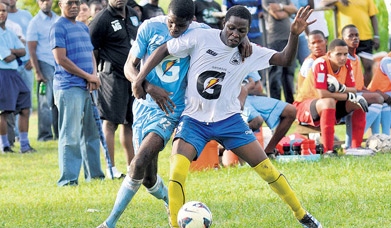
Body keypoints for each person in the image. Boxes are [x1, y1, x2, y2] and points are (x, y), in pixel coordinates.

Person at [134, 5, 322, 227]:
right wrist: (139, 79)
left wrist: (293, 34)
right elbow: (164, 49)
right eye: (231, 28)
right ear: (224, 24)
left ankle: (302, 215)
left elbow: (284, 59)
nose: (235, 34)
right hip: (194, 121)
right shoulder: (201, 37)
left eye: (241, 31)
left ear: (247, 32)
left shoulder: (250, 52)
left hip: (230, 121)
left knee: (267, 171)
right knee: (176, 174)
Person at [96, 0, 215, 227]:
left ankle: (109, 222)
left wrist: (245, 39)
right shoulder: (150, 27)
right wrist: (149, 87)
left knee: (138, 161)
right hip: (143, 106)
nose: (173, 29)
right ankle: (172, 203)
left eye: (180, 26)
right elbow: (129, 67)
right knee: (148, 178)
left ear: (191, 21)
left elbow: (228, 33)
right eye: (170, 22)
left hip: (170, 110)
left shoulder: (201, 32)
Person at [50, 0, 105, 186]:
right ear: (60, 4)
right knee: (70, 134)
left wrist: (94, 75)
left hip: (88, 86)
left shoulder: (82, 27)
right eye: (69, 3)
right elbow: (61, 59)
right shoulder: (58, 27)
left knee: (92, 134)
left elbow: (90, 54)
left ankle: (95, 176)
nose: (74, 6)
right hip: (69, 86)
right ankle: (68, 180)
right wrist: (87, 76)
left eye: (77, 2)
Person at [89, 0, 140, 179]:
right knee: (110, 122)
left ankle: (132, 166)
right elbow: (91, 49)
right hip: (111, 76)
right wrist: (93, 75)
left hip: (132, 76)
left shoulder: (133, 14)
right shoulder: (101, 19)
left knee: (130, 123)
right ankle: (111, 167)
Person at [294, 38, 369, 154]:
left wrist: (342, 88)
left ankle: (355, 148)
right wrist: (348, 96)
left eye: (345, 54)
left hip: (331, 105)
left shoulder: (347, 64)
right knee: (328, 101)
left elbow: (353, 90)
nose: (343, 58)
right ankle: (328, 150)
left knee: (359, 101)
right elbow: (322, 94)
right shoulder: (321, 63)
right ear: (329, 54)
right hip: (305, 106)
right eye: (338, 54)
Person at [0, 2, 36, 154]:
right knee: (4, 111)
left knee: (25, 107)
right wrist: (14, 52)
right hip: (2, 73)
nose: (2, 13)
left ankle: (25, 144)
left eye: (3, 10)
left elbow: (23, 51)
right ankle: (5, 145)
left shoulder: (9, 32)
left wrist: (12, 52)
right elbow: (7, 57)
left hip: (15, 73)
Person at [341, 24, 384, 149]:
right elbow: (347, 87)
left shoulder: (357, 59)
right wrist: (374, 95)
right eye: (350, 36)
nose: (355, 38)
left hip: (357, 93)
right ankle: (354, 142)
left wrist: (372, 91)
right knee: (378, 100)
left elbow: (360, 85)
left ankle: (378, 139)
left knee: (382, 101)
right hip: (345, 98)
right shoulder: (342, 59)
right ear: (343, 39)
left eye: (357, 35)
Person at [324, 0, 380, 87]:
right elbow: (323, 4)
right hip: (346, 39)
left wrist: (376, 36)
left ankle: (362, 90)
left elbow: (373, 16)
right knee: (343, 66)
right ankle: (344, 90)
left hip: (365, 37)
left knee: (369, 67)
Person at [241, 71, 297, 158]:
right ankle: (228, 146)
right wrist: (249, 86)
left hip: (249, 97)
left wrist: (245, 88)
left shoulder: (247, 61)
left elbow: (258, 87)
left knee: (290, 111)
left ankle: (268, 151)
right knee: (256, 120)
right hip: (232, 100)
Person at [27, 0, 59, 142]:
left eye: (48, 0)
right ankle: (44, 135)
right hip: (43, 64)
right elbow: (31, 49)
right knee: (45, 102)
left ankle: (59, 133)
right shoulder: (35, 22)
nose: (46, 2)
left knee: (58, 102)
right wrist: (37, 71)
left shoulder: (58, 19)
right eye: (42, 0)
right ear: (38, 3)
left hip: (59, 65)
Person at [262, 0, 297, 104]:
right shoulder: (266, 1)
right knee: (275, 73)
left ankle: (290, 103)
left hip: (289, 38)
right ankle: (275, 103)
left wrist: (280, 6)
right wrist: (287, 10)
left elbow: (294, 9)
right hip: (275, 40)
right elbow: (277, 15)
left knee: (289, 72)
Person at [367, 52, 391, 135]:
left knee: (386, 106)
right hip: (376, 93)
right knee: (384, 104)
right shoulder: (387, 60)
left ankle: (385, 137)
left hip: (386, 96)